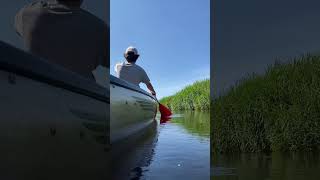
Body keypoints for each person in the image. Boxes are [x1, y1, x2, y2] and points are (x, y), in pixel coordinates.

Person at [14, 0, 109, 80]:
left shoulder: (28, 14)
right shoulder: (99, 29)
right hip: (82, 97)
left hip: (34, 91)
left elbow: (18, 28)